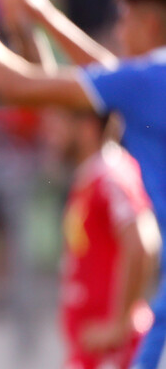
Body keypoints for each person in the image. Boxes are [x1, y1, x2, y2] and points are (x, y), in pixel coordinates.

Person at [0, 0, 166, 369]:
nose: (119, 32)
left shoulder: (113, 161)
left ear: (148, 24)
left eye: (124, 20)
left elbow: (17, 85)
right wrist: (41, 15)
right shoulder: (148, 83)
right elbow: (112, 76)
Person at [48, 109, 160, 369]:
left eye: (59, 119)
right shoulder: (90, 177)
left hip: (112, 353)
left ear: (87, 127)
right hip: (92, 350)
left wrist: (119, 325)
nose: (49, 130)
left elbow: (143, 242)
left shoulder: (110, 176)